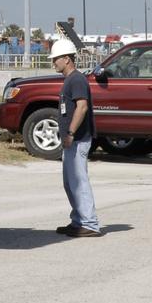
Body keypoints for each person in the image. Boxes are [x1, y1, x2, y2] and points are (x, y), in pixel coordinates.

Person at [51, 38, 101, 237]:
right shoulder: (70, 80)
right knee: (70, 183)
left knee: (79, 182)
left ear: (66, 59)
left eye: (56, 59)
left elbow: (82, 107)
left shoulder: (77, 79)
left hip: (78, 140)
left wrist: (70, 133)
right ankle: (78, 220)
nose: (53, 62)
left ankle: (89, 223)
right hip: (71, 141)